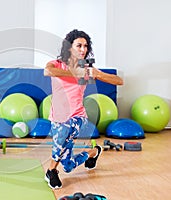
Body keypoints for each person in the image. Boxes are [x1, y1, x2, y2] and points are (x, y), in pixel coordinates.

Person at [43, 29, 123, 189]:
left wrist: (98, 74)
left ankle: (51, 171)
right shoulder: (57, 64)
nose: (83, 49)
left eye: (85, 46)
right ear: (69, 47)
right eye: (79, 45)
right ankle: (93, 152)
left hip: (78, 115)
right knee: (68, 165)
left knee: (60, 141)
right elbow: (48, 71)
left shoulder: (87, 68)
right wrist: (76, 72)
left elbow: (119, 81)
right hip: (59, 116)